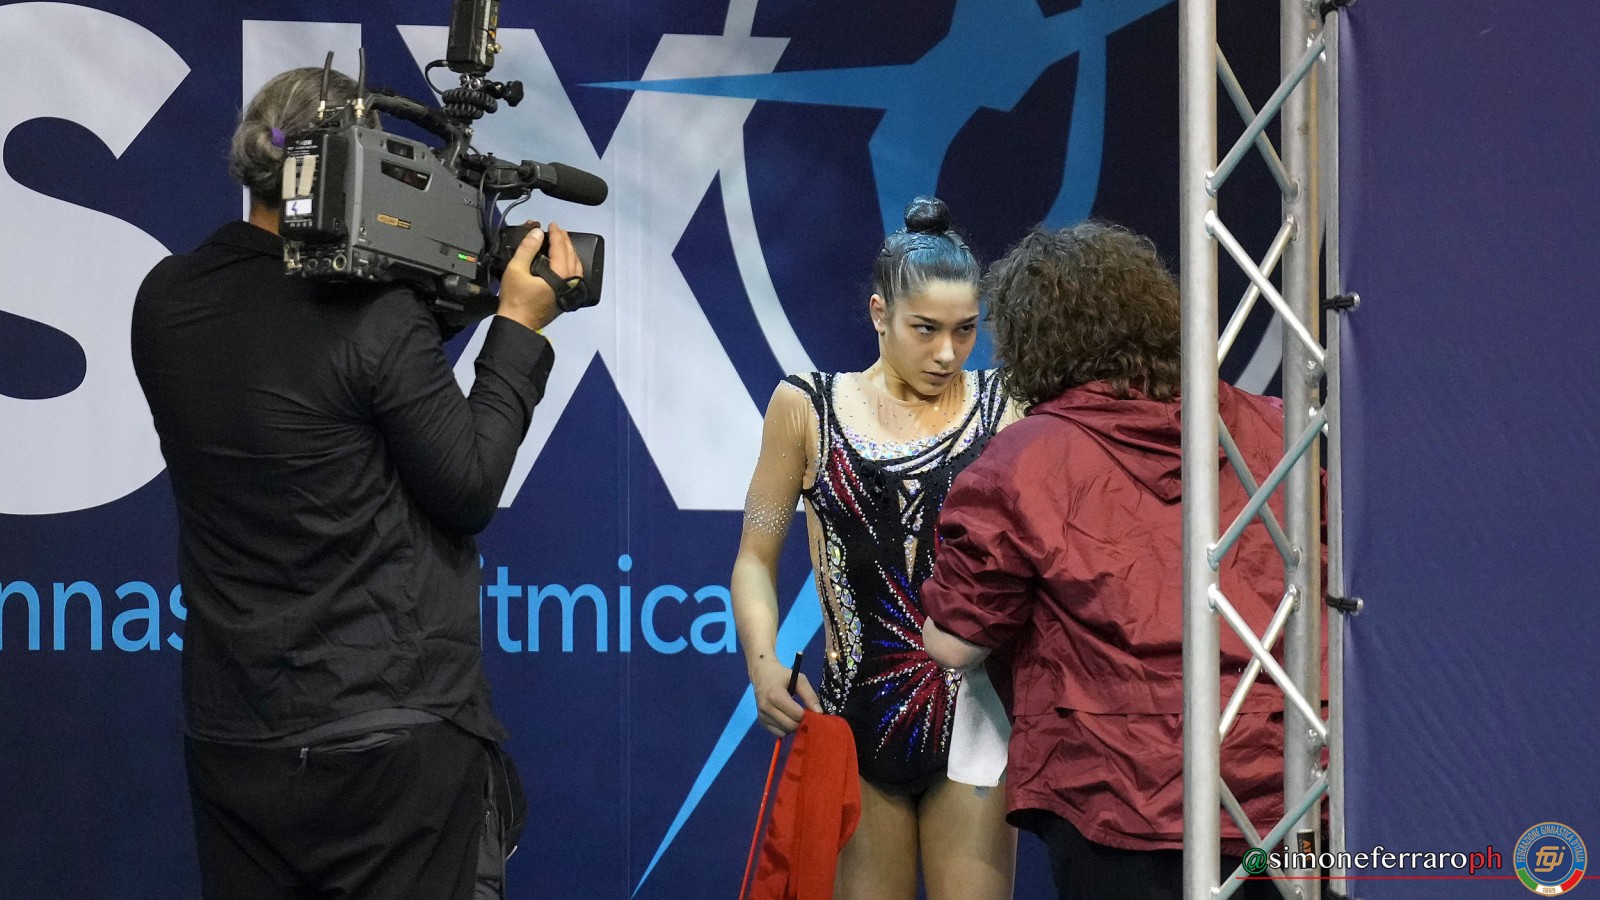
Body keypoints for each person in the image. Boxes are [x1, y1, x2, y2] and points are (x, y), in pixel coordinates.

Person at [130, 67, 581, 900]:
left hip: (236, 737)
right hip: (385, 740)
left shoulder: (164, 300)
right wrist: (518, 324)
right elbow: (468, 486)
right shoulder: (380, 319)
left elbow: (319, 381)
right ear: (350, 165)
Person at [920, 221, 1298, 900]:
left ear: (1032, 343)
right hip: (1286, 790)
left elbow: (955, 643)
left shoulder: (1024, 461)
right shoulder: (1281, 430)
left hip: (1117, 802)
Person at [731, 197, 1020, 900]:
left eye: (965, 330)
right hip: (853, 726)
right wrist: (764, 667)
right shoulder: (805, 408)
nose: (947, 353)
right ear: (878, 314)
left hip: (976, 725)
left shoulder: (1007, 407)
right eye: (926, 329)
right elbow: (754, 559)